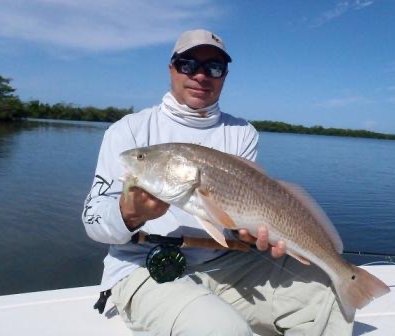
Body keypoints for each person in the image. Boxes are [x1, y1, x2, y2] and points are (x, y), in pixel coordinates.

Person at [82, 29, 354, 336]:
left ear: (224, 75)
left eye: (214, 67)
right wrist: (129, 213)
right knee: (222, 330)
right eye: (188, 64)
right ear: (171, 68)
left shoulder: (242, 133)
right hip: (144, 266)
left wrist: (254, 236)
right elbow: (92, 222)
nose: (200, 75)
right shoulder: (128, 132)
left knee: (326, 297)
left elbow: (234, 220)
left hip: (228, 264)